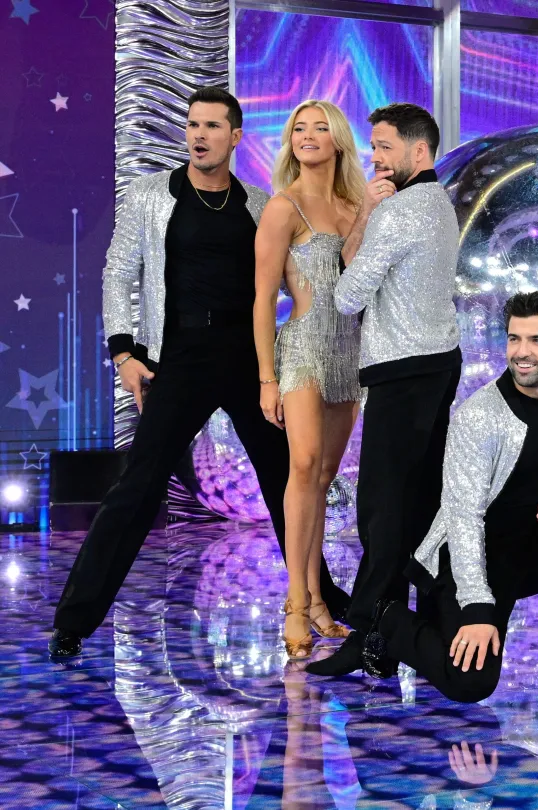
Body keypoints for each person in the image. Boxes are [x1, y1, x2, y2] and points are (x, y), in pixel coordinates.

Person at [48, 87, 348, 659]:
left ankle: (320, 597)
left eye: (212, 126)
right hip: (180, 355)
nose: (199, 135)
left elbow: (290, 279)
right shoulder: (150, 195)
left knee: (288, 477)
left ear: (235, 137)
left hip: (249, 357)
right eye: (192, 125)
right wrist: (123, 353)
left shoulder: (259, 203)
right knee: (138, 486)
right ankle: (74, 622)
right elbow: (119, 272)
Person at [360, 292, 538, 697]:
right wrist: (479, 609)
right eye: (514, 339)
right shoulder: (480, 415)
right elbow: (463, 518)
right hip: (477, 561)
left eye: (537, 340)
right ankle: (388, 619)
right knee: (470, 683)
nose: (521, 352)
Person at [307, 103, 463, 676]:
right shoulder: (440, 203)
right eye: (373, 145)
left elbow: (347, 296)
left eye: (384, 146)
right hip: (437, 365)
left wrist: (367, 214)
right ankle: (406, 633)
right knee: (419, 505)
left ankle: (370, 631)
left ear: (418, 151)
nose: (374, 156)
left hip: (402, 372)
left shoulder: (397, 211)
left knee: (381, 510)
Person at [253, 99, 365, 658]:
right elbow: (261, 298)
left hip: (350, 354)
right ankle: (295, 602)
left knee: (323, 477)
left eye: (320, 127)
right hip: (302, 350)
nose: (308, 135)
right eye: (299, 128)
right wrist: (266, 379)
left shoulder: (355, 206)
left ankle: (319, 600)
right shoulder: (283, 206)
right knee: (303, 466)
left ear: (339, 139)